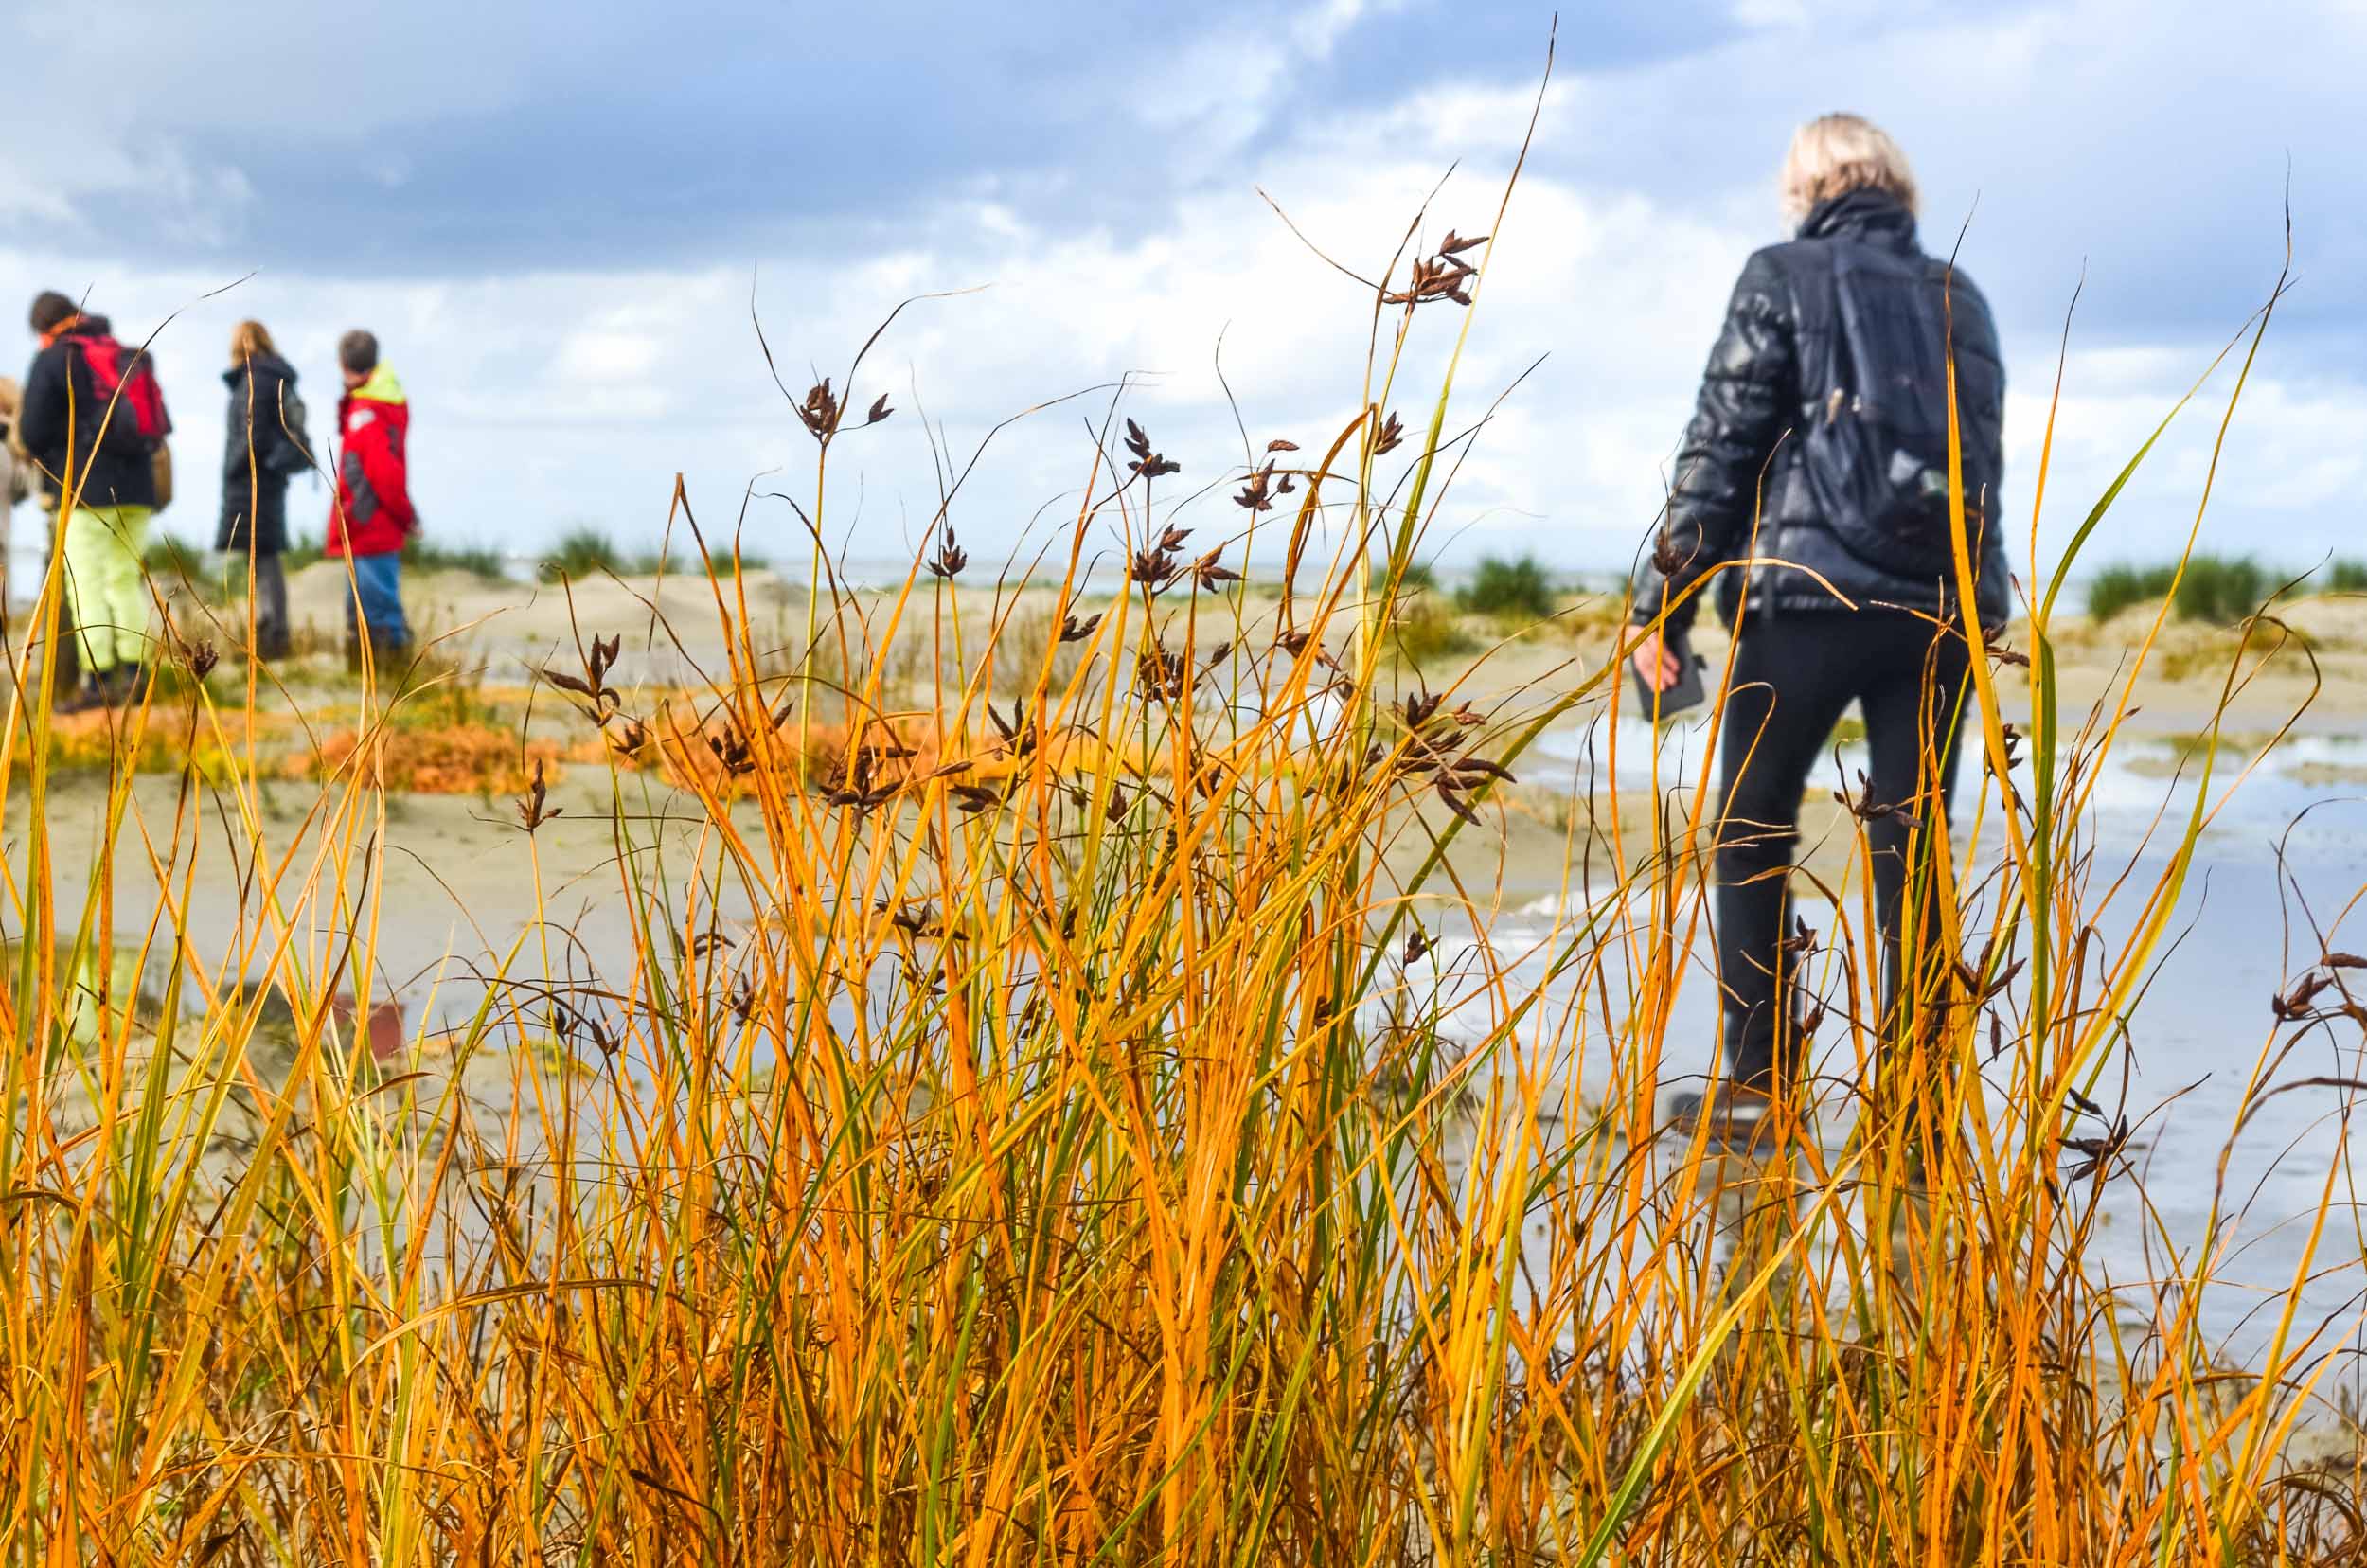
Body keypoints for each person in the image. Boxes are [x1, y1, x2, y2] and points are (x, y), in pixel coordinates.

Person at [1628, 114, 2008, 1140]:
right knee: (1911, 842)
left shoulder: (1779, 274)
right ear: (1897, 186)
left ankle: (1758, 1090)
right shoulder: (1958, 295)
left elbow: (1723, 441)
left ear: (1805, 188)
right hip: (1938, 606)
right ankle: (1920, 1111)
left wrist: (1656, 604)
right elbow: (1980, 464)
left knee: (1750, 829)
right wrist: (1987, 600)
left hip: (1807, 594)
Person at [18, 292, 172, 709]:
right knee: (124, 577)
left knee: (84, 580)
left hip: (86, 488)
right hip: (139, 488)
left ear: (44, 329)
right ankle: (137, 674)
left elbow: (31, 432)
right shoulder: (128, 354)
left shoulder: (54, 359)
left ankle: (98, 681)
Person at [218, 320, 311, 660]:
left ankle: (273, 637)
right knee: (263, 555)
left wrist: (232, 468)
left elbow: (250, 433)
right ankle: (271, 633)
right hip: (271, 476)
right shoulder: (275, 376)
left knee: (264, 557)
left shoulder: (255, 378)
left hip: (254, 478)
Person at [326, 328, 415, 659]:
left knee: (377, 607)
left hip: (371, 522)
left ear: (343, 364)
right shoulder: (374, 404)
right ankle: (364, 666)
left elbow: (383, 474)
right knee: (364, 604)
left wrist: (405, 515)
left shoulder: (368, 411)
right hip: (366, 521)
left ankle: (389, 667)